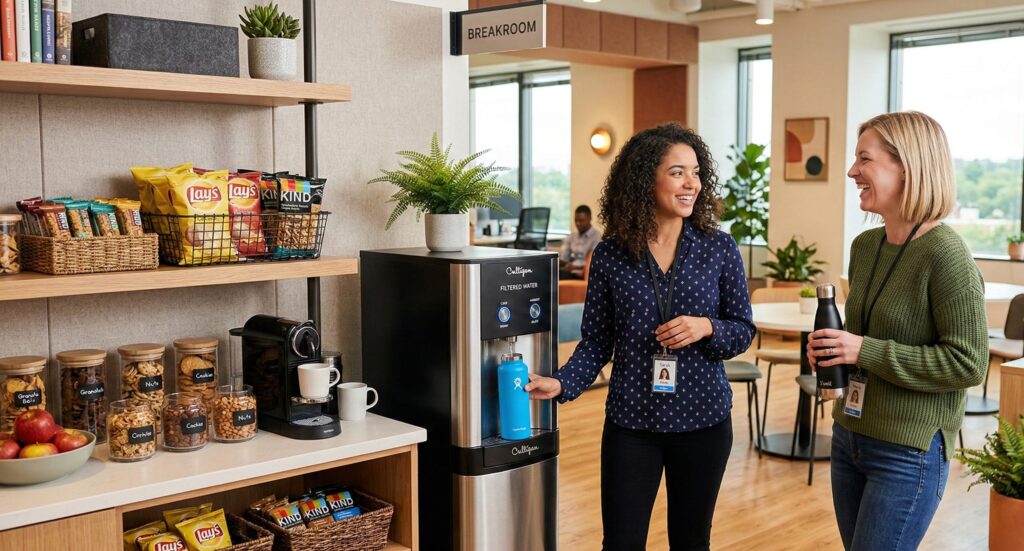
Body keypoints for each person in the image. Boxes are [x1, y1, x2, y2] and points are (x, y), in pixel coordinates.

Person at [526, 122, 755, 550]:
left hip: (704, 421)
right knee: (621, 542)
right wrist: (563, 381)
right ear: (645, 177)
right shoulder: (611, 254)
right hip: (632, 423)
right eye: (677, 172)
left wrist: (707, 327)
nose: (692, 184)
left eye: (696, 172)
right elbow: (596, 339)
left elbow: (743, 329)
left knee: (690, 541)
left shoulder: (719, 248)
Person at [806, 111, 987, 551]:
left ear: (907, 167)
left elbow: (967, 363)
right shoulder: (865, 247)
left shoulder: (947, 256)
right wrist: (834, 350)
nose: (852, 172)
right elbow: (862, 337)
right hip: (849, 436)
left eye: (863, 160)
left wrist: (862, 349)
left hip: (907, 452)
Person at [559, 204, 602, 279]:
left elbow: (592, 261)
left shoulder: (597, 237)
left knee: (559, 275)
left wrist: (575, 267)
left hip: (583, 271)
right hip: (570, 268)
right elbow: (564, 257)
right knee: (550, 269)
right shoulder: (572, 236)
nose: (578, 223)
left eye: (581, 221)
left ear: (590, 219)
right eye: (576, 220)